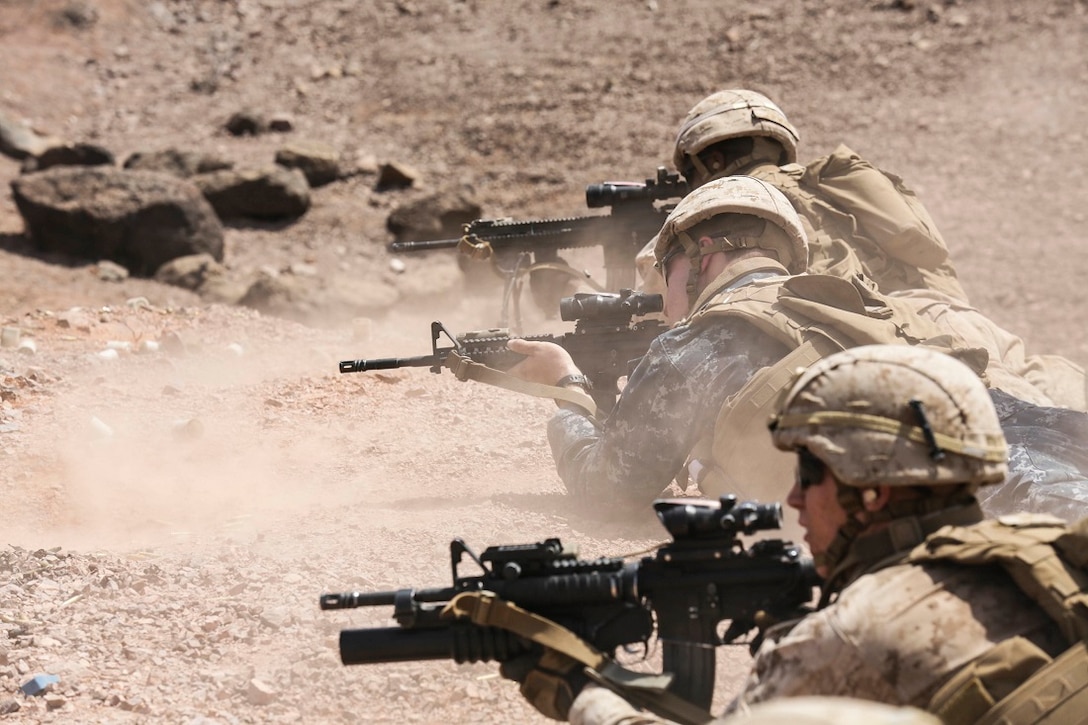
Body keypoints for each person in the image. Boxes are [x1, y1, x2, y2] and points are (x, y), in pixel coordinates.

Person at [502, 345, 1088, 725]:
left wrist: (581, 692)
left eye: (809, 475)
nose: (793, 499)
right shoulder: (1050, 557)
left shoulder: (845, 638)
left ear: (871, 491)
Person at [509, 174, 1088, 522]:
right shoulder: (853, 304)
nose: (664, 295)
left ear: (703, 256)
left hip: (979, 492)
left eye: (668, 269)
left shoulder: (700, 341)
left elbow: (612, 488)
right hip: (1037, 438)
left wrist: (568, 393)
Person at [637, 88, 1087, 412]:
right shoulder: (832, 182)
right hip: (962, 318)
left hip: (892, 329)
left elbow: (671, 303)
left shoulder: (735, 211)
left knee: (1013, 421)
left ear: (707, 161)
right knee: (1058, 402)